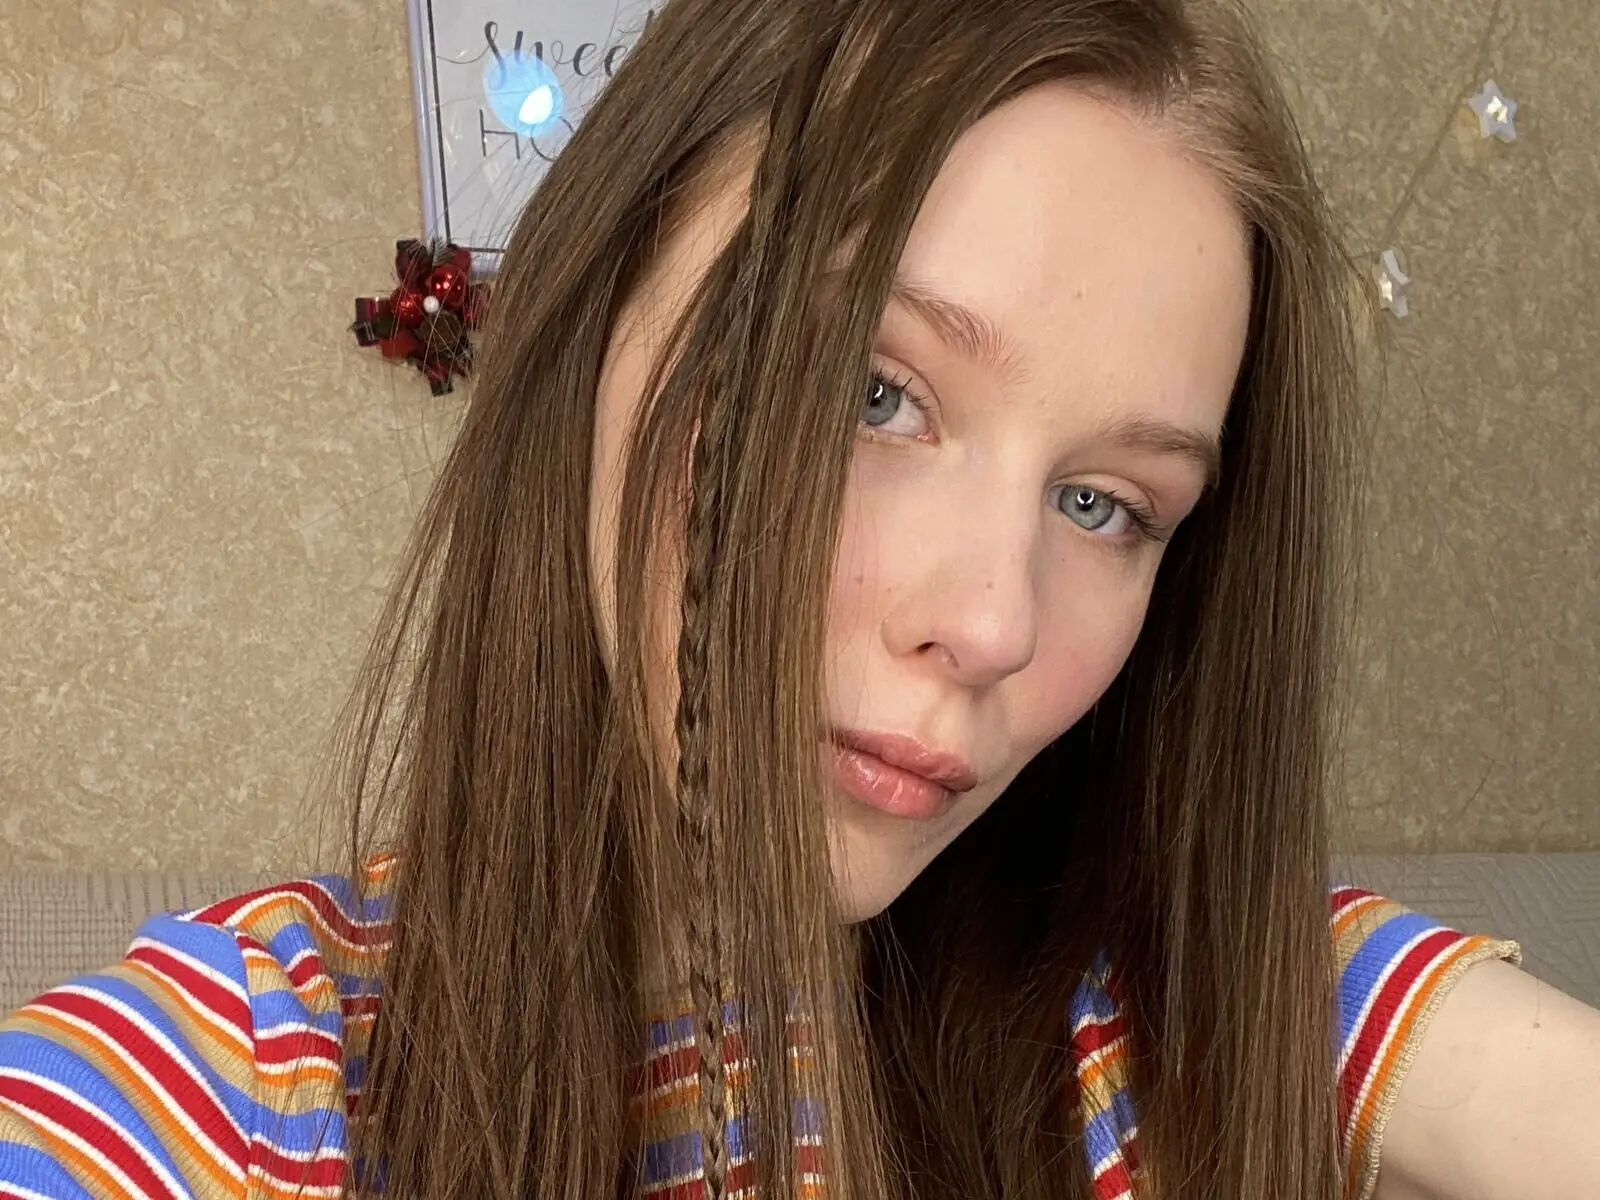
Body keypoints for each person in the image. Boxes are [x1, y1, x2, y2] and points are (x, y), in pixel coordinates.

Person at [3, 0, 1597, 1196]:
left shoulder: (1182, 1005)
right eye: (870, 393)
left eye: (1106, 504)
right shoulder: (240, 1090)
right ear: (594, 322)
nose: (994, 623)